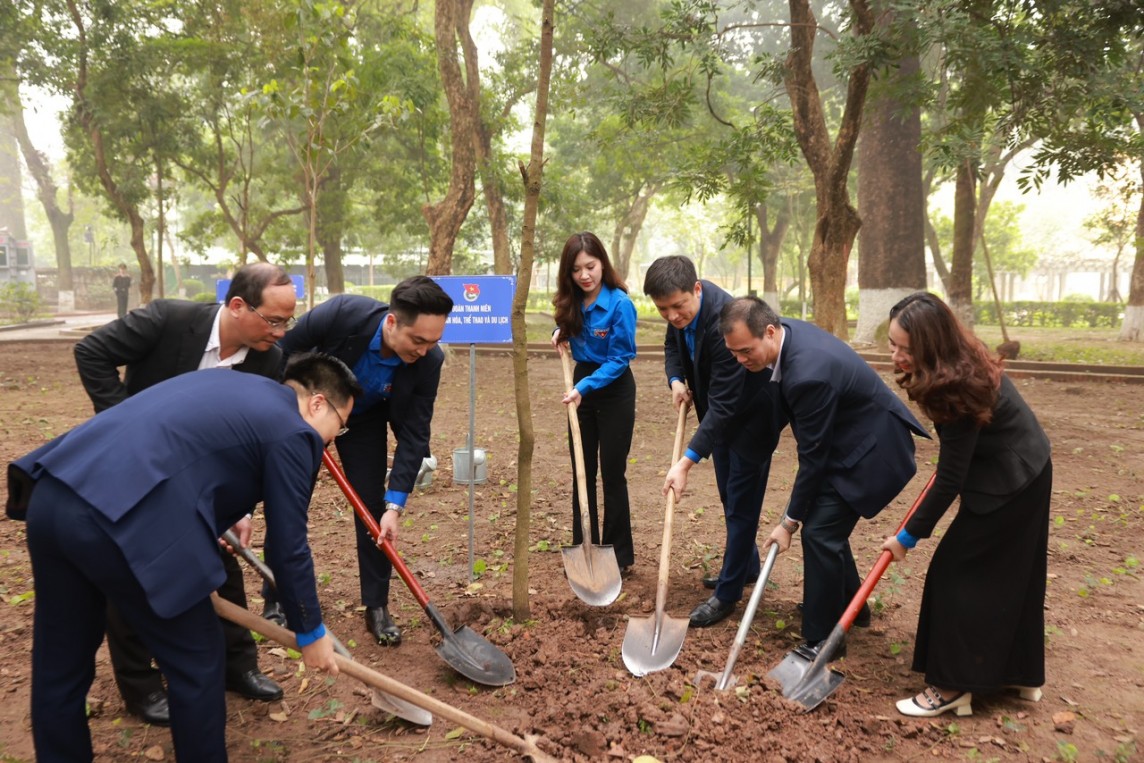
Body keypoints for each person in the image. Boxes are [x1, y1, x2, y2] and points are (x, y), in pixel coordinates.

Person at [8, 353, 354, 762]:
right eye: (340, 425)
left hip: (56, 495)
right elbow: (287, 545)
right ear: (317, 403)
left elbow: (182, 450)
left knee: (61, 667)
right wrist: (310, 631)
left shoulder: (234, 385)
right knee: (197, 664)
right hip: (119, 526)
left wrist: (223, 517)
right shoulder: (295, 432)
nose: (332, 440)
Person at [73, 262, 297, 724]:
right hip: (133, 468)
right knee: (133, 572)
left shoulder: (267, 360)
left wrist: (241, 508)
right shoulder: (168, 319)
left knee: (221, 565)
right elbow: (91, 351)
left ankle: (239, 666)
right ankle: (140, 686)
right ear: (237, 306)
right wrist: (124, 423)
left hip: (204, 479)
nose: (280, 332)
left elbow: (252, 438)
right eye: (273, 320)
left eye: (287, 321)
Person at [720, 296, 928, 657]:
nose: (740, 360)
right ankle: (853, 609)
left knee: (818, 532)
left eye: (745, 351)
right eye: (734, 353)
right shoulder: (785, 337)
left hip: (873, 453)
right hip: (849, 443)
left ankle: (822, 640)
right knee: (825, 528)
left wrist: (788, 522)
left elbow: (812, 458)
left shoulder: (808, 373)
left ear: (769, 332)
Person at [881, 292, 1052, 718]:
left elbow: (949, 480)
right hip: (1029, 465)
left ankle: (952, 686)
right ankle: (1019, 674)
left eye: (906, 347)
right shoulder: (958, 357)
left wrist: (906, 537)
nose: (897, 355)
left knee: (955, 575)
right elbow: (955, 464)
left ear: (932, 344)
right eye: (892, 344)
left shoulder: (949, 387)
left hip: (1010, 482)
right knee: (1013, 576)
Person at [278, 275, 454, 646]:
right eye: (417, 340)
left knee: (373, 509)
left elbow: (415, 432)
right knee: (291, 501)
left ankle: (376, 605)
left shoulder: (428, 361)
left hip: (367, 419)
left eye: (433, 342)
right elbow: (281, 354)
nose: (424, 350)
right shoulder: (342, 315)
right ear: (392, 322)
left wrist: (397, 504)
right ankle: (276, 595)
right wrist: (298, 410)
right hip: (311, 412)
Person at [644, 256, 785, 627]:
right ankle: (747, 567)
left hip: (750, 422)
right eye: (663, 310)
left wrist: (686, 462)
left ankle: (728, 593)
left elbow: (725, 404)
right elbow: (673, 347)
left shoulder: (727, 322)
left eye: (678, 306)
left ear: (697, 289)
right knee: (730, 497)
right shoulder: (681, 313)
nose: (673, 316)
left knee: (740, 505)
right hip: (720, 421)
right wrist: (676, 379)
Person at [551, 232, 638, 571]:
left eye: (591, 266)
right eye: (576, 270)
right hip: (582, 388)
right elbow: (567, 327)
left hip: (613, 389)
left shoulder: (620, 304)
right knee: (581, 472)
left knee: (612, 474)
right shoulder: (571, 300)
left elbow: (620, 359)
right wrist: (561, 331)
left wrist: (584, 386)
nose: (585, 275)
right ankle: (583, 547)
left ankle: (618, 556)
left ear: (603, 263)